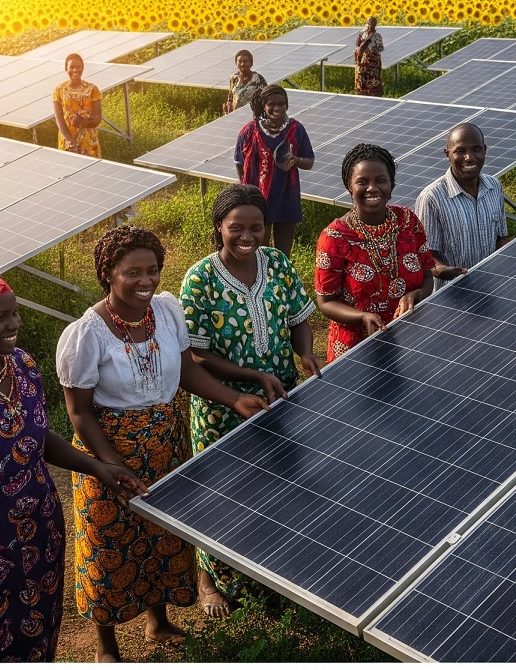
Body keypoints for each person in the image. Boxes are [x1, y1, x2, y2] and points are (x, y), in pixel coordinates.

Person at [0, 261, 149, 662]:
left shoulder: (22, 366)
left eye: (14, 311)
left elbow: (35, 438)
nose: (12, 323)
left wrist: (101, 469)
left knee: (39, 634)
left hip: (39, 532)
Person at [56, 226, 270, 662]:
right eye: (132, 272)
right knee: (108, 542)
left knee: (160, 534)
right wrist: (112, 465)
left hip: (167, 442)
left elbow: (187, 371)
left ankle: (157, 621)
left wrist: (235, 398)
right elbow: (80, 413)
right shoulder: (87, 335)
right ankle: (106, 645)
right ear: (108, 274)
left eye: (152, 271)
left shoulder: (167, 312)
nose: (145, 282)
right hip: (110, 450)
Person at [178, 184, 321, 618]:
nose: (247, 235)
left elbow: (298, 317)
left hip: (278, 397)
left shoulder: (276, 263)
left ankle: (267, 571)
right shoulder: (200, 278)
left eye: (256, 227)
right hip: (224, 406)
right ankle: (208, 578)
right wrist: (251, 377)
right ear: (218, 228)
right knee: (224, 491)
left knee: (275, 484)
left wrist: (306, 352)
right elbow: (197, 353)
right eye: (235, 227)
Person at [314, 143, 435, 362]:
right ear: (350, 186)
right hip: (357, 348)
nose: (372, 188)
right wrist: (362, 316)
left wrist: (416, 294)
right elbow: (326, 302)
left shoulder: (408, 221)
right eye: (362, 181)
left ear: (391, 184)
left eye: (381, 180)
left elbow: (427, 276)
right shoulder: (334, 237)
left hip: (408, 337)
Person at [414, 122, 509, 286]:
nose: (469, 157)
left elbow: (500, 239)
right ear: (447, 154)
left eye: (476, 149)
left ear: (484, 150)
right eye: (460, 151)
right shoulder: (431, 198)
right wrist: (441, 269)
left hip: (490, 286)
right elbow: (426, 255)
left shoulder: (494, 187)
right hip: (452, 296)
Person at [234, 84, 315, 257]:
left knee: (282, 254)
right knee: (258, 252)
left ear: (287, 105)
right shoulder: (249, 131)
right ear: (263, 105)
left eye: (281, 104)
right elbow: (239, 162)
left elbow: (309, 161)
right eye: (272, 104)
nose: (277, 108)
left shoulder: (296, 129)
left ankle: (280, 283)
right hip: (256, 201)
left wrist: (296, 160)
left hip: (286, 199)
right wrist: (245, 191)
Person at [52, 52, 103, 157]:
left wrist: (82, 123)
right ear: (66, 69)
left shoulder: (92, 89)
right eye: (71, 67)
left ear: (83, 68)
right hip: (67, 140)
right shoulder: (59, 90)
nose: (75, 70)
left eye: (78, 67)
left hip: (89, 141)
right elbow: (59, 119)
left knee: (92, 171)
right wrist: (71, 142)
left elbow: (97, 118)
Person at [222, 49, 267, 114]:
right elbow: (230, 97)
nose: (242, 64)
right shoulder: (234, 78)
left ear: (251, 63)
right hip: (236, 115)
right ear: (236, 63)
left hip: (253, 116)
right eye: (239, 61)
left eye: (245, 61)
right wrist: (227, 107)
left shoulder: (258, 79)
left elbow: (265, 99)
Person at [353, 17, 385, 97]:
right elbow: (357, 44)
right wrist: (361, 34)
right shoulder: (363, 33)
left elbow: (380, 48)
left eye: (372, 23)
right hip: (362, 62)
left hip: (372, 63)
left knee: (372, 79)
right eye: (369, 22)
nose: (370, 25)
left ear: (375, 24)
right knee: (361, 78)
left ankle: (374, 94)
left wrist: (369, 46)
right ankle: (361, 93)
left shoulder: (377, 36)